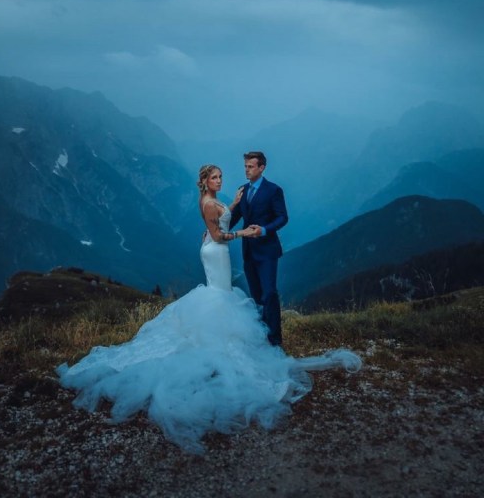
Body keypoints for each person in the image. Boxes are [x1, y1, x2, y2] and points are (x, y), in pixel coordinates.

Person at [55, 164, 360, 454]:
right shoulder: (209, 203)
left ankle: (216, 342)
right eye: (215, 177)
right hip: (218, 251)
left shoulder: (213, 200)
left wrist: (235, 203)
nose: (219, 180)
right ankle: (218, 346)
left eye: (220, 176)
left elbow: (217, 220)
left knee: (221, 295)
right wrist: (243, 233)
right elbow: (218, 233)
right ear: (205, 181)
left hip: (214, 252)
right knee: (220, 295)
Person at [230, 151, 287, 346]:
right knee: (256, 296)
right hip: (248, 250)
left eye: (250, 166)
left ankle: (275, 340)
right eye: (245, 166)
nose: (246, 170)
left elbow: (282, 217)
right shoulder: (242, 190)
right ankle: (262, 335)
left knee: (269, 293)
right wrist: (215, 231)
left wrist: (263, 230)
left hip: (267, 250)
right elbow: (235, 217)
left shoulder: (274, 190)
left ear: (261, 168)